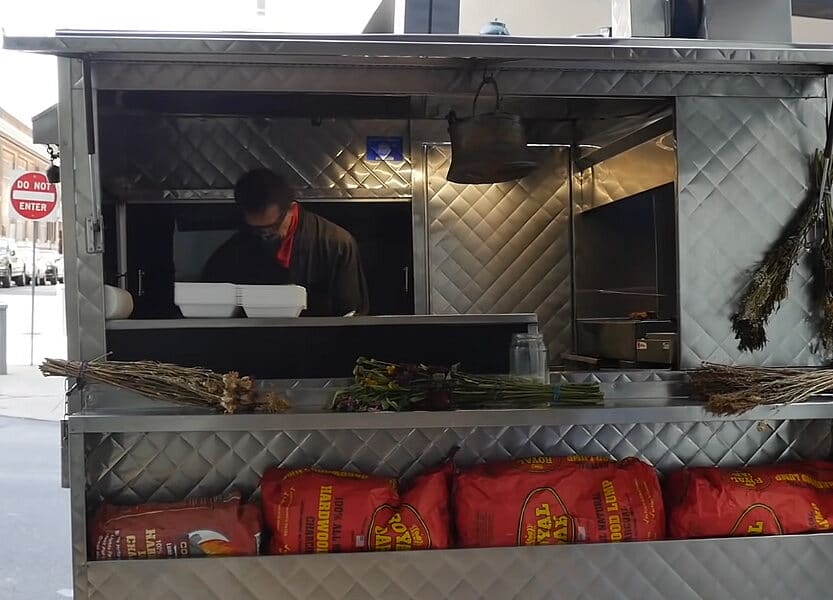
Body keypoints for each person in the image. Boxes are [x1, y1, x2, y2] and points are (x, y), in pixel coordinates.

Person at [202, 168, 369, 316]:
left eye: (272, 226)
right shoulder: (233, 251)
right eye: (257, 229)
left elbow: (351, 312)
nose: (265, 233)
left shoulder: (336, 243)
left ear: (291, 209)